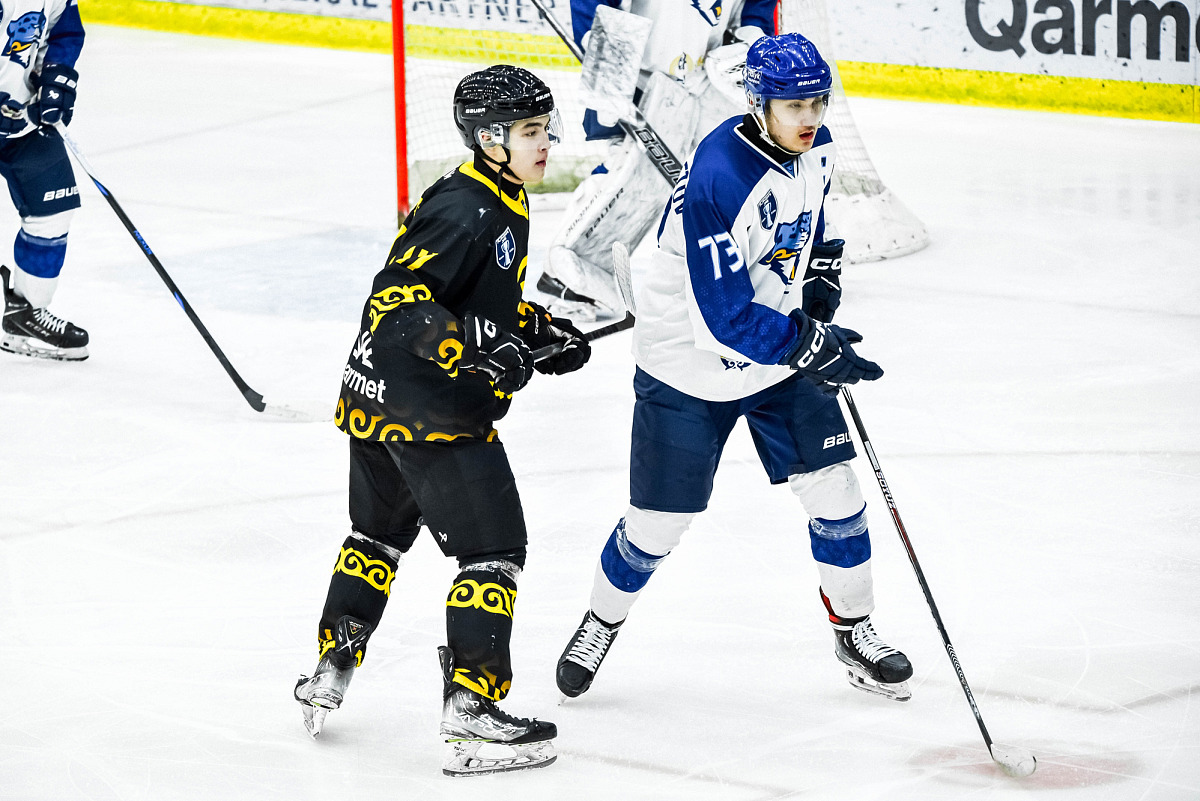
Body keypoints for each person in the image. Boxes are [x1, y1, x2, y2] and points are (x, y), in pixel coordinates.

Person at [555, 33, 915, 711]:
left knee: (836, 492)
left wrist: (822, 274)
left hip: (773, 350)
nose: (810, 116)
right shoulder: (721, 177)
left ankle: (854, 630)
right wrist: (810, 345)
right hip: (687, 364)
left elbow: (814, 219)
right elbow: (724, 318)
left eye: (817, 101)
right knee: (656, 525)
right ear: (759, 104)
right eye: (794, 105)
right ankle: (600, 622)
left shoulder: (817, 145)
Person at [294, 64, 591, 777]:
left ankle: (332, 665)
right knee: (493, 551)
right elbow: (396, 300)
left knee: (377, 536)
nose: (545, 142)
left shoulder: (496, 194)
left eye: (544, 128)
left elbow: (472, 298)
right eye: (530, 130)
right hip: (428, 413)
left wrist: (539, 332)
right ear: (490, 138)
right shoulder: (468, 208)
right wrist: (476, 354)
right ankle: (471, 711)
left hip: (375, 400)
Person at [536, 0, 777, 321]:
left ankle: (733, 272)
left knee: (728, 173)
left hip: (707, 75)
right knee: (632, 175)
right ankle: (567, 275)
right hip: (640, 73)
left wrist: (751, 42)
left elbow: (757, 10)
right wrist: (606, 56)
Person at [0, 0, 88, 361]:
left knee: (53, 211)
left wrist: (54, 78)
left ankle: (25, 314)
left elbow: (64, 31)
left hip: (22, 120)